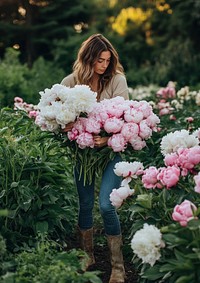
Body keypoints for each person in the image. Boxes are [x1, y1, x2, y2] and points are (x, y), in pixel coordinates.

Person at [61, 33, 129, 283]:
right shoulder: (69, 82)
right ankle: (87, 256)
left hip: (111, 150)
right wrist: (64, 126)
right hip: (83, 152)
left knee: (106, 205)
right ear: (87, 59)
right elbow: (58, 118)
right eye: (99, 60)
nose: (103, 66)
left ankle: (118, 267)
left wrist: (107, 140)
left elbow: (126, 119)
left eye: (107, 61)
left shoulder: (117, 80)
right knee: (85, 204)